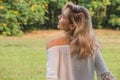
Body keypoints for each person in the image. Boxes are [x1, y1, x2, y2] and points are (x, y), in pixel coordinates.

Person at [46, 2, 115, 80]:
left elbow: (51, 77)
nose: (59, 17)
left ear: (72, 26)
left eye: (63, 16)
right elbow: (105, 74)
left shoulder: (53, 45)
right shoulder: (91, 46)